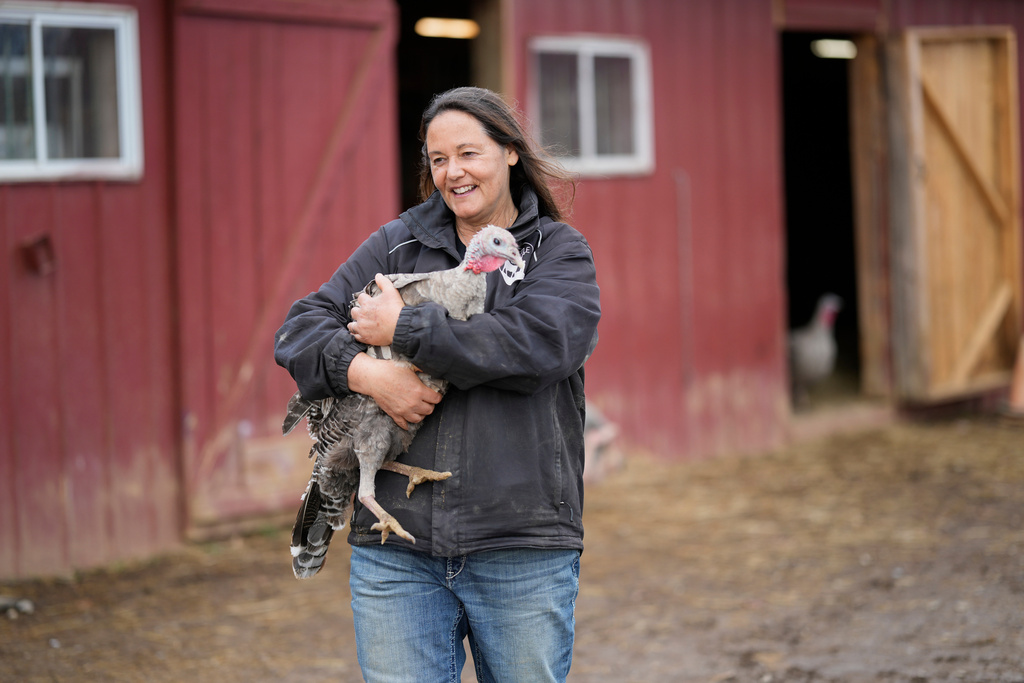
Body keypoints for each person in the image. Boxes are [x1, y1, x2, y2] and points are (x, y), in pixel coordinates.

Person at [274, 86, 601, 683]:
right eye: (438, 159)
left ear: (509, 153)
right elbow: (299, 331)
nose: (453, 172)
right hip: (397, 551)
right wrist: (369, 373)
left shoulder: (558, 252)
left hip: (519, 542)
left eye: (469, 153)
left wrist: (405, 326)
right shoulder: (398, 244)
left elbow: (536, 345)